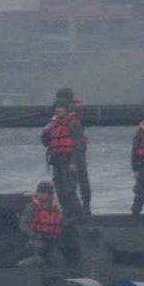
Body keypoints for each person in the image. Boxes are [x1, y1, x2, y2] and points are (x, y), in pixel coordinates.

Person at [40, 102, 84, 217]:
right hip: (56, 160)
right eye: (56, 108)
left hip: (68, 160)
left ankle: (80, 216)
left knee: (69, 190)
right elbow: (46, 142)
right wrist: (45, 131)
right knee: (60, 191)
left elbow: (78, 144)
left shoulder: (73, 123)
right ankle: (67, 215)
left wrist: (74, 162)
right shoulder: (53, 125)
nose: (58, 110)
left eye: (60, 108)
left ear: (66, 110)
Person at [55, 87, 92, 215]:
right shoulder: (62, 115)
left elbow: (77, 141)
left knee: (76, 183)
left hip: (76, 150)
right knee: (68, 184)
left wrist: (73, 161)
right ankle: (76, 210)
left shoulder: (75, 116)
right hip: (65, 153)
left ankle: (83, 210)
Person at [17, 181, 64, 265]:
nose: (42, 194)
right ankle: (26, 263)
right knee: (38, 257)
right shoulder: (31, 207)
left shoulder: (56, 207)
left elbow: (60, 222)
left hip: (51, 240)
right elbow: (23, 225)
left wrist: (56, 235)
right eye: (40, 192)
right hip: (36, 239)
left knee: (58, 261)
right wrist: (34, 235)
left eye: (45, 192)